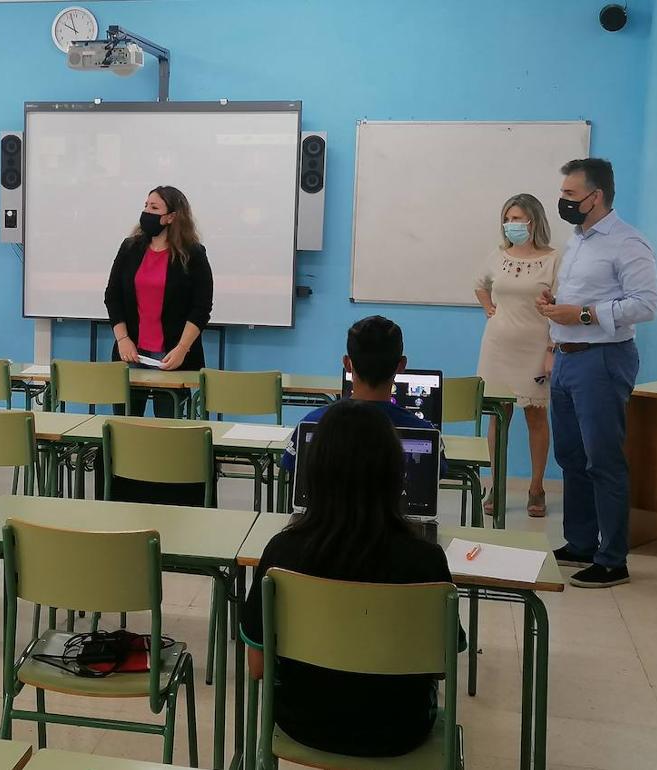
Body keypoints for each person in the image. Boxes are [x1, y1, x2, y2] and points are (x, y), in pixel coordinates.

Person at [241, 399, 463, 757]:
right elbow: (441, 664)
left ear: (313, 471)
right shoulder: (425, 561)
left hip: (302, 724)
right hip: (400, 731)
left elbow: (257, 667)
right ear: (395, 473)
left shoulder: (282, 553)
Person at [538, 158, 657, 589]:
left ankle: (613, 558)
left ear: (597, 196)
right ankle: (582, 542)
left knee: (603, 459)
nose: (563, 201)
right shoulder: (578, 240)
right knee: (570, 455)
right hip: (568, 358)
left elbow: (645, 304)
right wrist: (557, 307)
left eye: (570, 194)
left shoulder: (628, 243)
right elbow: (581, 299)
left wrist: (583, 313)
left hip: (603, 359)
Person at [474, 193, 560, 517]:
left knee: (536, 416)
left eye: (517, 218)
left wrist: (552, 348)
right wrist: (488, 308)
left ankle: (536, 489)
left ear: (534, 221)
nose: (512, 225)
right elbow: (480, 284)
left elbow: (559, 305)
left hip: (536, 347)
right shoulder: (497, 256)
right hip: (497, 347)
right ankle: (496, 484)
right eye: (508, 219)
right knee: (498, 416)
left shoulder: (553, 259)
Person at [282, 315, 445, 475]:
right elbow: (437, 475)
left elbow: (291, 468)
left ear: (347, 364)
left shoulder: (312, 423)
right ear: (401, 365)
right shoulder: (425, 432)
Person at [104, 185, 214, 417]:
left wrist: (182, 348)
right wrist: (123, 339)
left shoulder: (193, 254)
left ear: (171, 217)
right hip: (131, 352)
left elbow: (201, 308)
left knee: (167, 427)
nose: (146, 212)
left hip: (172, 356)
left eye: (154, 207)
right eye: (145, 206)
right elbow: (112, 296)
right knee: (126, 425)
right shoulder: (130, 248)